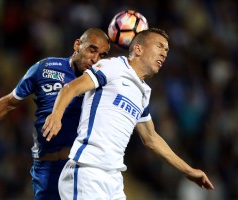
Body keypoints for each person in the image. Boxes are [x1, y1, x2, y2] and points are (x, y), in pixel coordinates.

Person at [42, 28, 215, 200]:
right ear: (138, 49)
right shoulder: (113, 66)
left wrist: (189, 171)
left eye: (167, 50)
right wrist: (56, 115)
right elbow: (70, 88)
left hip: (114, 180)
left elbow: (151, 138)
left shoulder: (143, 92)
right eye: (159, 46)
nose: (164, 53)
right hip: (87, 171)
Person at [0, 28, 110, 200]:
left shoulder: (100, 82)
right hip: (45, 170)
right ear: (77, 45)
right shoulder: (45, 68)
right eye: (92, 50)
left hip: (79, 169)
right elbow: (9, 103)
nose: (95, 59)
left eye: (102, 55)